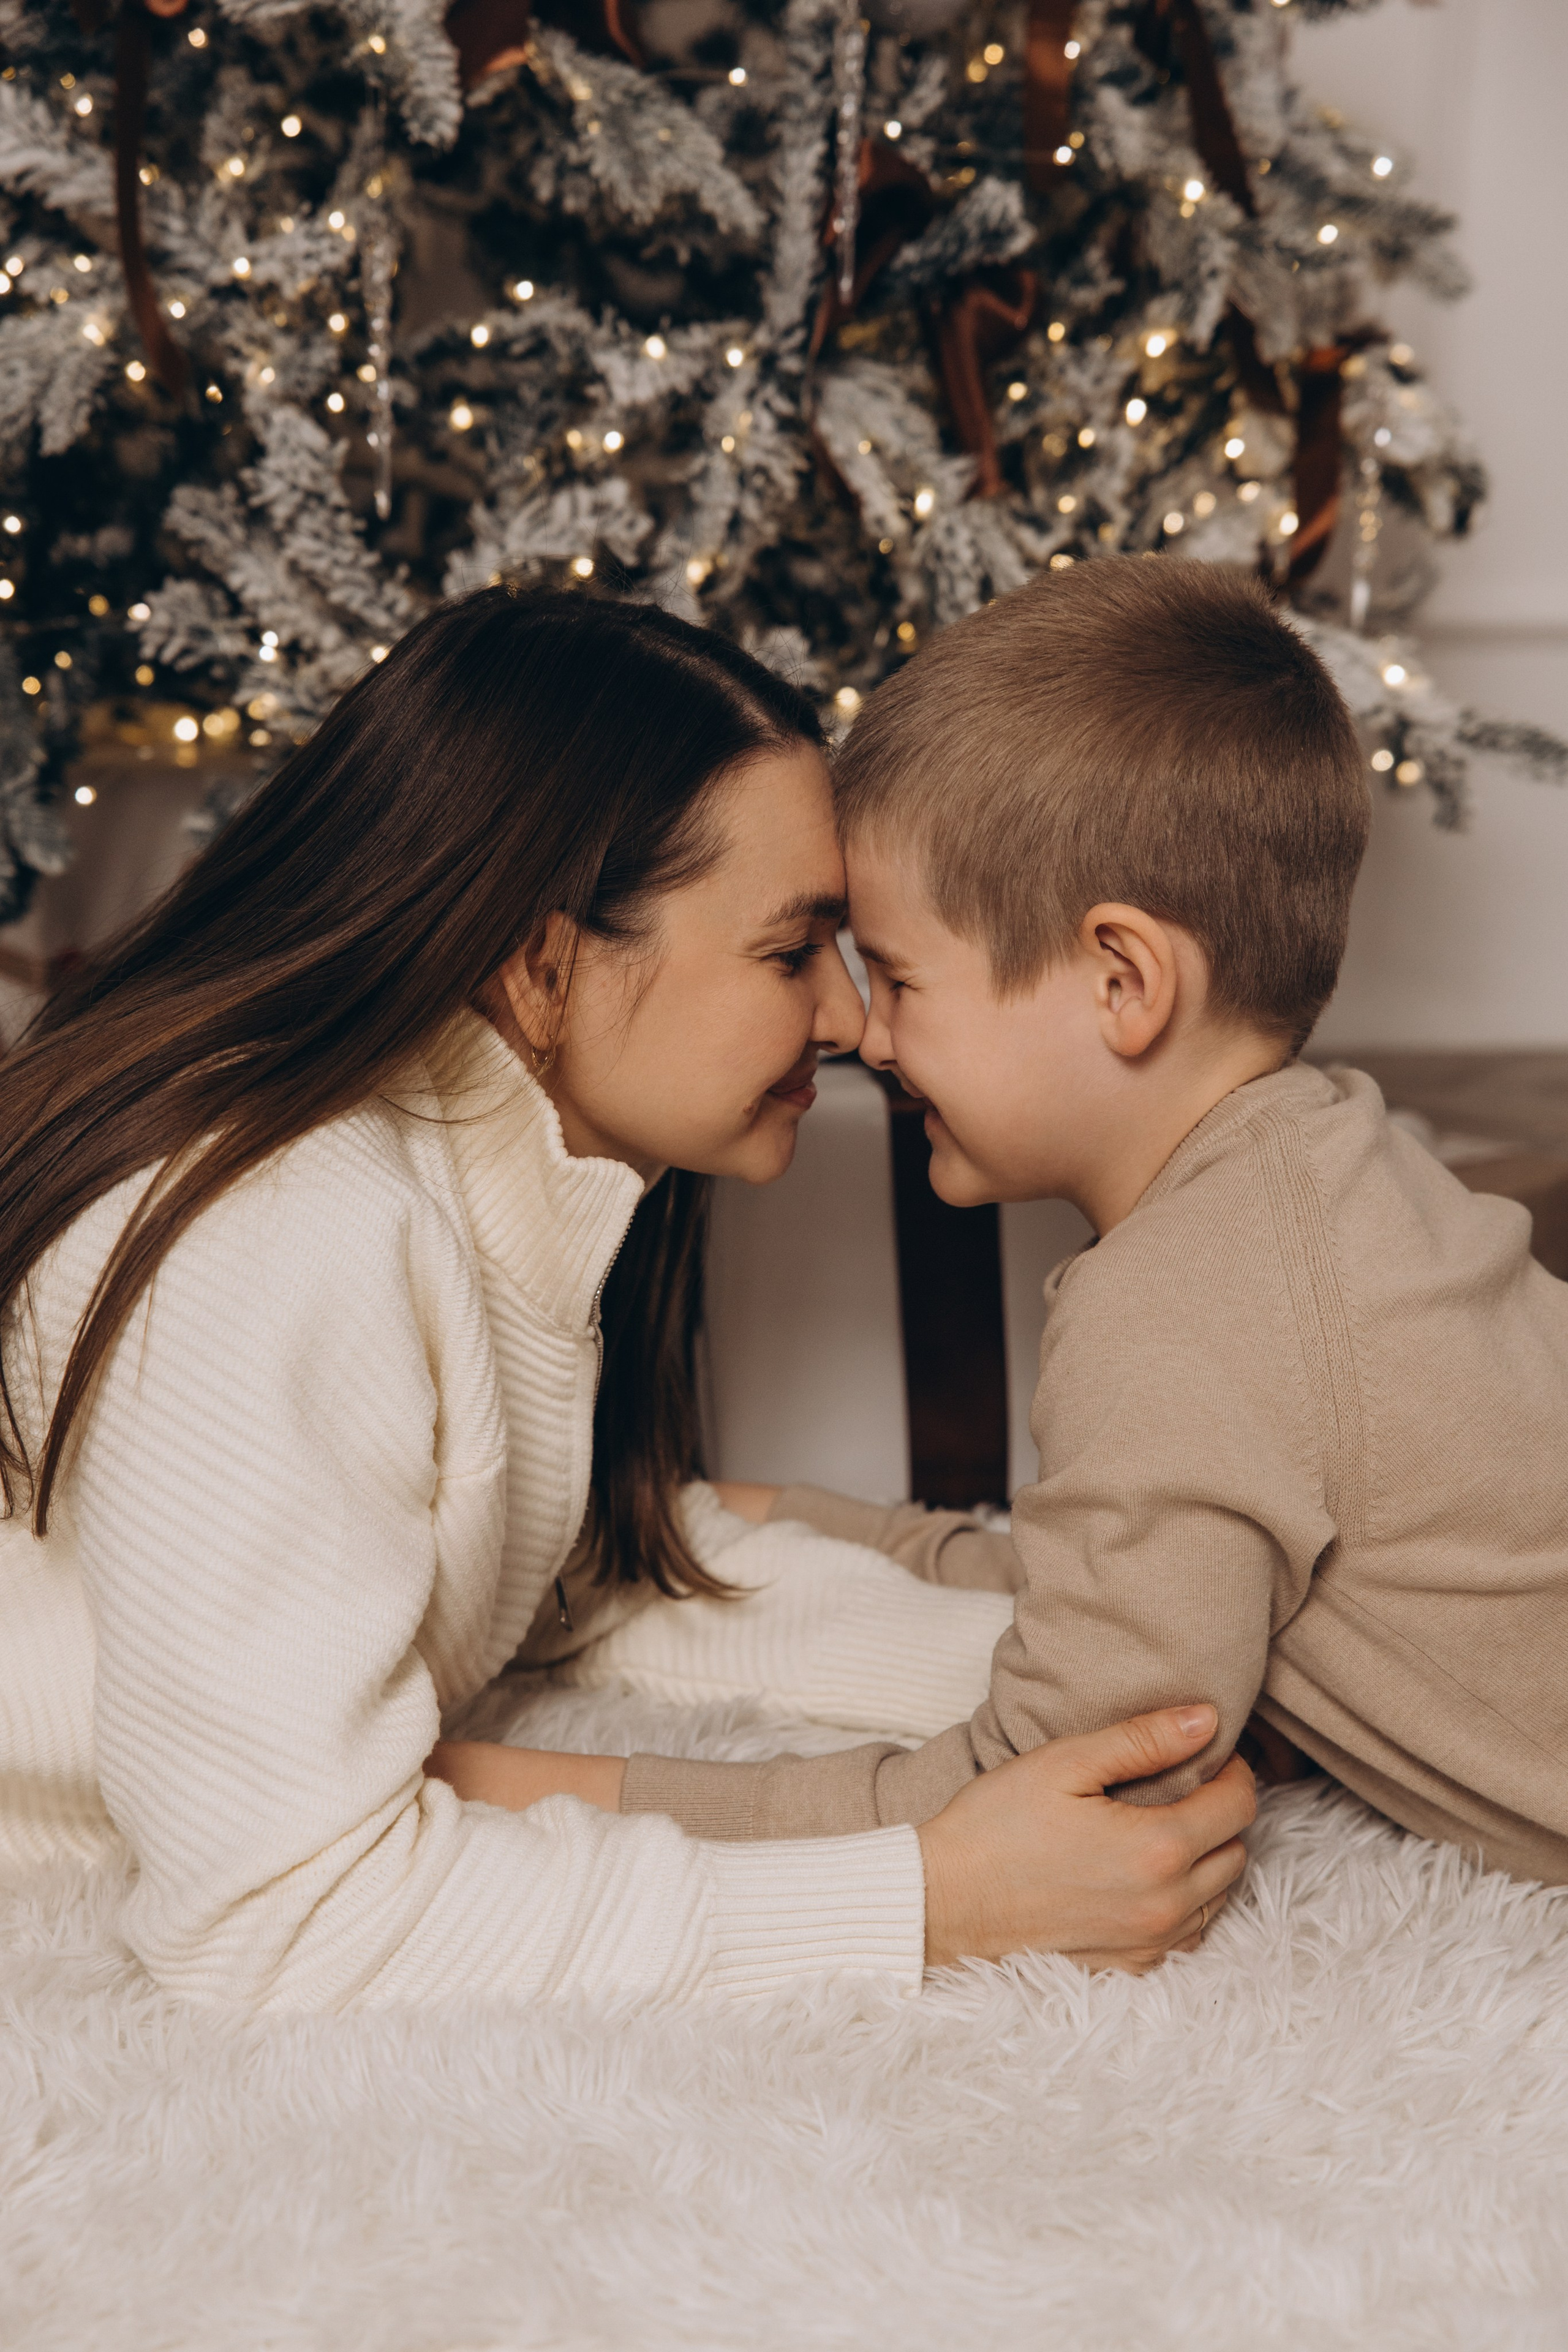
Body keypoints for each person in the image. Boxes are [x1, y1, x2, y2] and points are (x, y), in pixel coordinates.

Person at [0, 584, 1254, 2013]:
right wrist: (932, 1897)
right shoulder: (277, 1231)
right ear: (543, 965)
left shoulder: (489, 1181)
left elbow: (592, 1586)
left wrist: (1124, 1690)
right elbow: (282, 1924)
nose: (849, 1019)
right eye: (792, 952)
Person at [600, 558, 1568, 1886]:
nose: (863, 1036)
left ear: (1122, 981)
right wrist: (784, 1518)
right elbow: (1111, 1564)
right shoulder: (1326, 1162)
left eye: (895, 975)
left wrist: (591, 1795)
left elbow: (1055, 1782)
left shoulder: (1183, 1305)